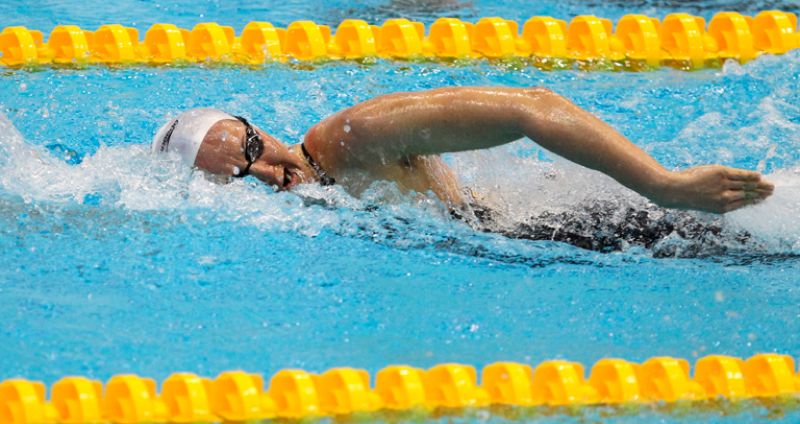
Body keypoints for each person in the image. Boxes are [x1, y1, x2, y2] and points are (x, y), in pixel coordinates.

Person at [152, 86, 774, 251]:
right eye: (237, 177)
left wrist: (664, 186)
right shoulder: (311, 217)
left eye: (254, 151)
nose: (267, 176)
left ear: (262, 128)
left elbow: (532, 108)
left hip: (603, 226)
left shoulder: (351, 138)